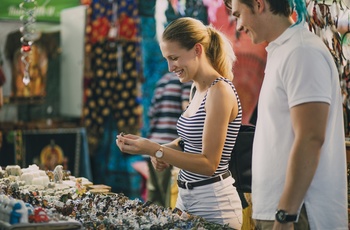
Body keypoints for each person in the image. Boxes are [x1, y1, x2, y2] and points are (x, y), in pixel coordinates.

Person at [224, 0, 348, 229]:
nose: (238, 25)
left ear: (259, 4)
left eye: (239, 14)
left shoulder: (301, 51)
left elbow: (311, 138)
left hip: (300, 214)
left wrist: (285, 214)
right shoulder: (283, 50)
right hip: (284, 212)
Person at [116, 17, 243, 229]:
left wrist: (157, 150)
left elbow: (209, 164)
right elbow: (187, 141)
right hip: (187, 199)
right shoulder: (196, 88)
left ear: (197, 50)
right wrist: (150, 147)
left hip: (214, 205)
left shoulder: (219, 91)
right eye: (167, 59)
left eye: (174, 58)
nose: (170, 67)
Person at [146, 72, 192, 208]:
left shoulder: (161, 80)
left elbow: (151, 114)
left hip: (153, 145)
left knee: (154, 202)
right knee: (168, 201)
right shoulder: (185, 80)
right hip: (170, 147)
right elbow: (188, 111)